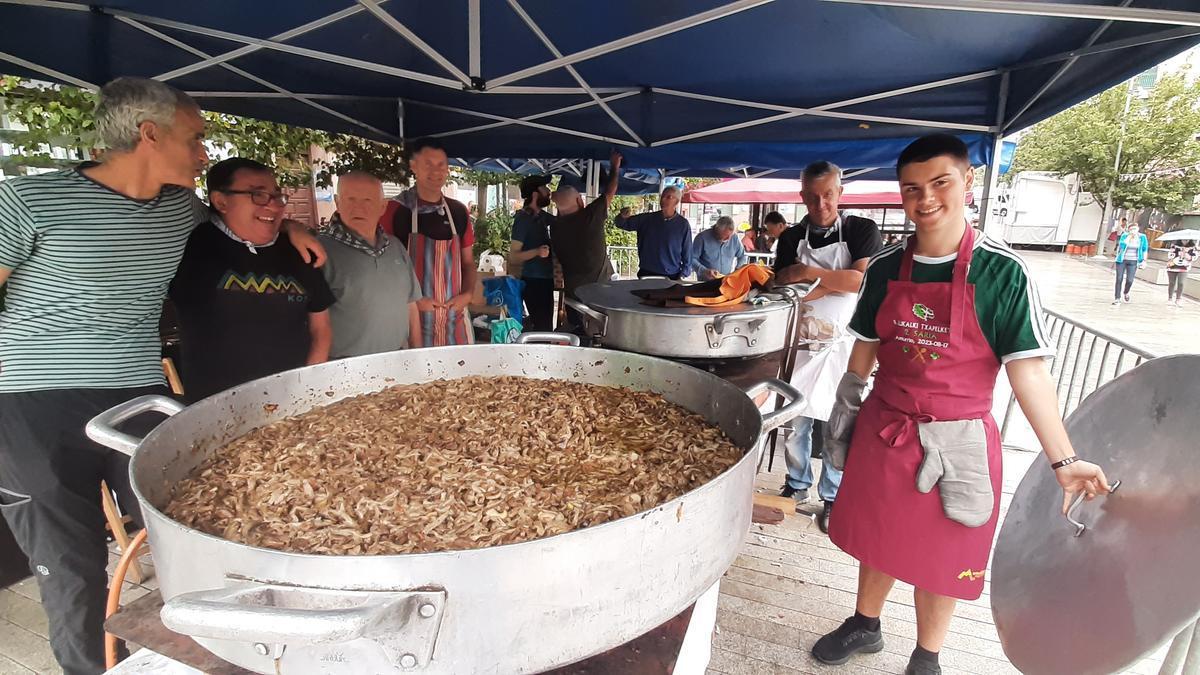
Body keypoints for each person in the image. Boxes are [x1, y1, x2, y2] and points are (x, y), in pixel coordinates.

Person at [0, 77, 325, 675]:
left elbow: (247, 222)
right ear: (149, 134)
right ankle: (92, 668)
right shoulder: (25, 200)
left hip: (136, 392)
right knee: (68, 562)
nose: (204, 153)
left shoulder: (181, 209)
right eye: (195, 137)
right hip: (28, 401)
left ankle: (212, 657)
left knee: (191, 531)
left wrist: (295, 229)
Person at [813, 134, 1109, 675]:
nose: (925, 199)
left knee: (943, 552)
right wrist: (846, 408)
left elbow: (1029, 371)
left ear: (968, 182)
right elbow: (866, 344)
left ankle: (927, 654)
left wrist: (1064, 460)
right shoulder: (882, 268)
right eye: (911, 189)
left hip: (959, 439)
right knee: (878, 538)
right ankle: (865, 623)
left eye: (940, 183)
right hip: (885, 427)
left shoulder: (1001, 273)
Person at [772, 161, 883, 532]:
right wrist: (827, 282)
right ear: (802, 196)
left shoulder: (861, 230)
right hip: (801, 341)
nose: (821, 204)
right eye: (813, 197)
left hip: (846, 341)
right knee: (796, 419)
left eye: (828, 195)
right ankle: (797, 483)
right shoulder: (790, 237)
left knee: (839, 423)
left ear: (840, 193)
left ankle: (833, 496)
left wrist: (808, 275)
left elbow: (861, 279)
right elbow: (785, 287)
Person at [170, 158, 334, 402]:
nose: (274, 206)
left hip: (291, 404)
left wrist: (305, 388)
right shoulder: (192, 242)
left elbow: (321, 329)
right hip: (217, 409)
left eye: (277, 196)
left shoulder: (299, 251)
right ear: (220, 201)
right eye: (258, 195)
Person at [319, 171, 423, 357]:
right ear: (337, 202)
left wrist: (418, 355)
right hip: (346, 368)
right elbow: (313, 323)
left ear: (383, 206)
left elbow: (411, 304)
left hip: (398, 360)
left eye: (367, 200)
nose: (358, 208)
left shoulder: (396, 247)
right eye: (350, 199)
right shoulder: (319, 252)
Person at [390, 138, 477, 346]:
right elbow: (387, 270)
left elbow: (468, 264)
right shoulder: (396, 211)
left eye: (441, 165)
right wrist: (415, 300)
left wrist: (467, 294)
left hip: (454, 321)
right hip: (411, 322)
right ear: (414, 166)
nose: (436, 171)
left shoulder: (458, 212)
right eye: (428, 164)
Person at [551, 151, 622, 325]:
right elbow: (611, 189)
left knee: (578, 333)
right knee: (600, 333)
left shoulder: (555, 228)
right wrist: (615, 167)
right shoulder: (590, 216)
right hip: (598, 292)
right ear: (579, 201)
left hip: (573, 295)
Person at [614, 186, 693, 279]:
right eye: (662, 196)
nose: (663, 199)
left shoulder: (682, 224)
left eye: (669, 197)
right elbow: (621, 224)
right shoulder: (646, 219)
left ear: (676, 202)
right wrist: (622, 216)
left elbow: (687, 251)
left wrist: (683, 274)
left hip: (671, 275)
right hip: (646, 272)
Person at [510, 174, 555, 331]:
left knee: (547, 326)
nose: (549, 191)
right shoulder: (523, 220)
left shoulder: (542, 217)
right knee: (543, 328)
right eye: (544, 188)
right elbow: (513, 256)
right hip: (533, 281)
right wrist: (537, 252)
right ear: (535, 194)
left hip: (546, 280)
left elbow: (563, 223)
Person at [692, 216, 748, 280]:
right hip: (706, 281)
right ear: (716, 229)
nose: (727, 239)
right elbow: (692, 259)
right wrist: (704, 270)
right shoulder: (702, 238)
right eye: (723, 237)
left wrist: (738, 269)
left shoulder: (734, 238)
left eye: (729, 236)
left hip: (726, 281)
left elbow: (742, 255)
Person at [1112, 222, 1147, 305]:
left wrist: (1144, 261)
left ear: (1138, 229)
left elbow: (1144, 249)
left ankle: (1126, 292)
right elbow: (1122, 246)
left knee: (1130, 280)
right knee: (1119, 278)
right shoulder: (1125, 235)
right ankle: (1117, 298)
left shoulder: (1142, 237)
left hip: (1134, 260)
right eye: (1131, 229)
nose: (1133, 231)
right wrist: (1129, 237)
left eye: (1135, 229)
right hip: (1122, 260)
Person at [1167, 240, 1197, 307]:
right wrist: (1178, 253)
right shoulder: (1174, 246)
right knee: (1172, 283)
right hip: (1173, 266)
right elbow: (1170, 255)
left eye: (1187, 239)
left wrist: (1186, 254)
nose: (1185, 241)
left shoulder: (1192, 247)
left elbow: (1194, 257)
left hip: (1184, 267)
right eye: (1183, 239)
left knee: (1181, 283)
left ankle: (1178, 299)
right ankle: (1170, 298)